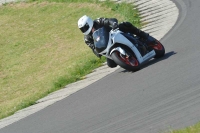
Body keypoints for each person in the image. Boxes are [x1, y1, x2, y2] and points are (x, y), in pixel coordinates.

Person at [77, 15, 155, 67]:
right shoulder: (87, 39)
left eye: (85, 27)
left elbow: (109, 20)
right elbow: (93, 48)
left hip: (114, 35)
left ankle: (144, 36)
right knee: (111, 64)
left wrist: (113, 23)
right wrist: (97, 52)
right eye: (82, 29)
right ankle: (126, 59)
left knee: (126, 25)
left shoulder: (98, 21)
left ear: (89, 23)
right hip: (107, 47)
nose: (84, 30)